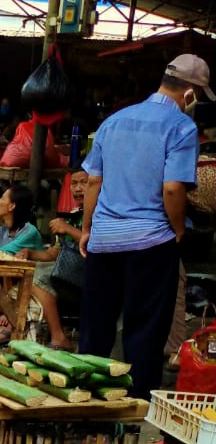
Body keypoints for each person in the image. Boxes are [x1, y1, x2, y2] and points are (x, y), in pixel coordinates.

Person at [80, 54, 211, 399]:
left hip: (104, 242)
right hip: (151, 243)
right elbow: (172, 188)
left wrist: (87, 229)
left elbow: (93, 182)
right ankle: (134, 408)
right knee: (144, 331)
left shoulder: (114, 121)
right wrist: (179, 229)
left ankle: (83, 402)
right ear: (190, 92)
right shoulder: (181, 127)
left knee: (96, 330)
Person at [17, 169, 88, 351]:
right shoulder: (72, 215)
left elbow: (98, 244)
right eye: (74, 183)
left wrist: (68, 229)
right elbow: (54, 254)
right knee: (29, 269)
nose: (78, 188)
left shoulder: (100, 215)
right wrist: (30, 253)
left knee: (38, 276)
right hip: (68, 271)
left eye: (84, 182)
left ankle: (59, 336)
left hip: (89, 275)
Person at [0, 183, 43, 337]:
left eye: (2, 198)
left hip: (29, 285)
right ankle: (3, 307)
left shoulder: (29, 232)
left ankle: (9, 311)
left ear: (11, 206)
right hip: (7, 283)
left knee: (7, 266)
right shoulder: (4, 230)